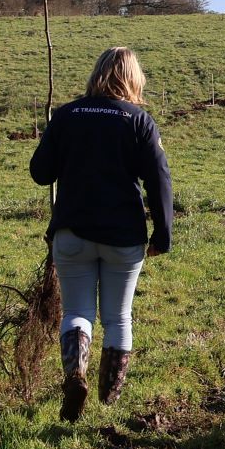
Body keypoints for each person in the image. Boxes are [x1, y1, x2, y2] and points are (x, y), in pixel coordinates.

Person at [29, 46, 174, 421]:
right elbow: (159, 180)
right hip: (123, 235)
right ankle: (109, 398)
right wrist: (163, 233)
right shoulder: (138, 119)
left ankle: (76, 373)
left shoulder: (67, 114)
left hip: (72, 229)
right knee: (118, 316)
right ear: (135, 78)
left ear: (96, 73)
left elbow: (41, 173)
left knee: (77, 310)